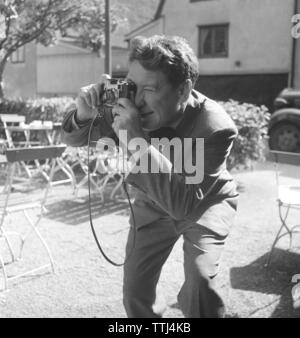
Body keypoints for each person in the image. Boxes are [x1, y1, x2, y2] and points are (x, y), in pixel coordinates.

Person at [61, 35, 239, 318]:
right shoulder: (132, 106)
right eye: (133, 86)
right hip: (151, 203)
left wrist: (136, 142)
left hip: (203, 204)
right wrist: (83, 114)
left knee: (199, 284)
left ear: (183, 90)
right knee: (136, 291)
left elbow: (183, 204)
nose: (137, 100)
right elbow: (76, 138)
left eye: (150, 89)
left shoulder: (216, 127)